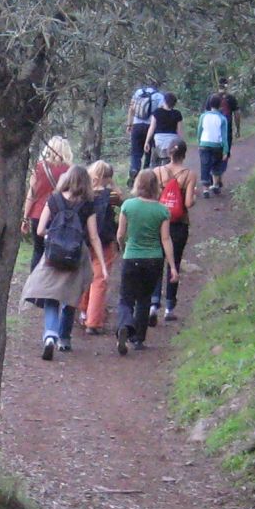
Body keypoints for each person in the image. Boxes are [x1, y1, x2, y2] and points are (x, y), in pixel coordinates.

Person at [20, 164, 108, 359]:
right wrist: (102, 265)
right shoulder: (88, 204)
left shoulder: (54, 199)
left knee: (51, 295)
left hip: (53, 254)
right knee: (71, 295)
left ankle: (50, 335)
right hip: (76, 255)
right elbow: (94, 237)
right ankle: (64, 338)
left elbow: (40, 230)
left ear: (67, 179)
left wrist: (54, 234)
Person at [114, 168, 178, 356]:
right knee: (144, 299)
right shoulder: (162, 210)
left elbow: (120, 234)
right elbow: (166, 239)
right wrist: (172, 267)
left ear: (138, 184)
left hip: (132, 256)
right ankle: (138, 338)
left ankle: (124, 326)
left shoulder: (128, 206)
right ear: (156, 187)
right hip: (154, 260)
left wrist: (123, 247)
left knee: (126, 298)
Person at [148, 137, 196, 324]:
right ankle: (169, 307)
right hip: (179, 224)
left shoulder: (156, 172)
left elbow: (151, 198)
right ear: (184, 155)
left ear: (168, 153)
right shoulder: (189, 175)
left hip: (158, 222)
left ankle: (153, 304)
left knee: (156, 262)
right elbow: (188, 203)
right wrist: (194, 198)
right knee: (174, 263)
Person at [77, 160, 122, 335]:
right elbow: (122, 201)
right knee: (99, 279)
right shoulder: (111, 196)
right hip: (104, 241)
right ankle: (94, 321)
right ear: (108, 177)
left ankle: (82, 311)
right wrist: (113, 185)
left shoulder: (83, 193)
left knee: (84, 276)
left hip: (84, 240)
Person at [20, 135, 73, 271]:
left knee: (38, 251)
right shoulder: (70, 170)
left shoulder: (38, 167)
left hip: (38, 214)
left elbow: (31, 194)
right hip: (59, 215)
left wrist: (25, 218)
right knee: (58, 250)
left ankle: (34, 280)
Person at [126, 82, 160, 184]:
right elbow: (161, 113)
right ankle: (145, 177)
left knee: (135, 153)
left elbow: (131, 109)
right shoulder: (158, 96)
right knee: (149, 152)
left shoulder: (138, 93)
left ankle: (134, 170)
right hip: (151, 127)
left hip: (136, 126)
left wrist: (129, 124)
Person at [197, 93, 230, 198]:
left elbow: (199, 131)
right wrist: (225, 150)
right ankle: (215, 185)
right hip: (217, 145)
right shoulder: (222, 118)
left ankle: (205, 190)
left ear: (209, 104)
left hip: (204, 143)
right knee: (216, 165)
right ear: (220, 105)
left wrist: (199, 143)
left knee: (205, 165)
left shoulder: (203, 116)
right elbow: (224, 136)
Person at [143, 92, 184, 170]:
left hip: (158, 141)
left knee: (154, 164)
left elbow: (152, 128)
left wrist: (147, 142)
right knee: (167, 164)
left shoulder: (157, 112)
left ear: (164, 101)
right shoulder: (177, 114)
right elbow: (179, 131)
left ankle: (154, 175)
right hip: (171, 141)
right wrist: (181, 144)